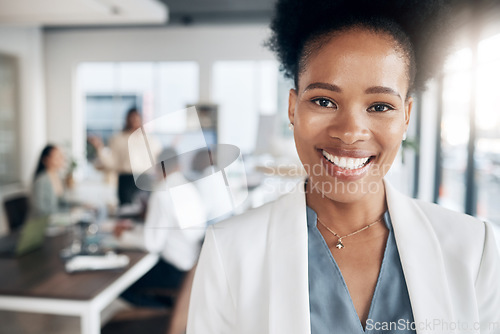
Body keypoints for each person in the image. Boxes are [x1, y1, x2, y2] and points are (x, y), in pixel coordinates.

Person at [187, 1, 500, 333]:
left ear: (406, 116)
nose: (351, 132)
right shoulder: (229, 249)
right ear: (293, 108)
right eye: (323, 101)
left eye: (380, 106)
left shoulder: (473, 247)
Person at [118, 148, 207, 309]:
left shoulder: (162, 192)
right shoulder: (189, 188)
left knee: (119, 282)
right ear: (178, 166)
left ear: (158, 167)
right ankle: (175, 310)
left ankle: (168, 311)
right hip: (192, 268)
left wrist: (123, 236)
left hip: (175, 271)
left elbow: (152, 244)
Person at [90, 107, 160, 206]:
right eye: (131, 118)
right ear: (127, 119)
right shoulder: (118, 139)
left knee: (144, 212)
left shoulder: (151, 140)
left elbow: (158, 160)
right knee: (126, 212)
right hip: (126, 180)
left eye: (137, 118)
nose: (134, 121)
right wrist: (99, 148)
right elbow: (111, 163)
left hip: (145, 180)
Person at [32, 144, 66, 217]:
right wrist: (66, 213)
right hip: (42, 223)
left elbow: (63, 203)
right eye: (58, 157)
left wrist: (81, 206)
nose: (62, 159)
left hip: (55, 221)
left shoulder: (59, 177)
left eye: (62, 156)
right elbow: (41, 211)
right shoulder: (41, 181)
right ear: (46, 160)